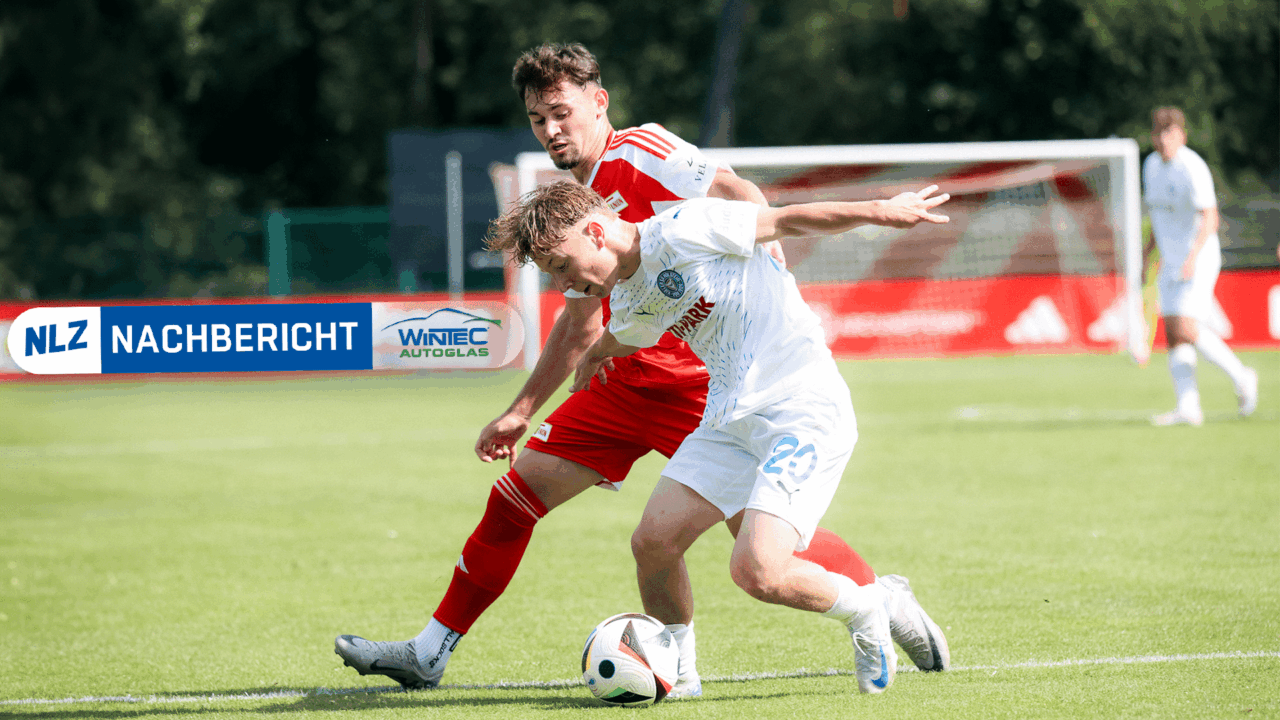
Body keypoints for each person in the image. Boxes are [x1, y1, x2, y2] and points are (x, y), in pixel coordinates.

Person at [335, 43, 949, 696]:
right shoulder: (567, 215)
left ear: (598, 103)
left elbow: (741, 195)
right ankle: (433, 653)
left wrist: (774, 273)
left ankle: (881, 599)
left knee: (766, 550)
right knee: (530, 499)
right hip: (630, 383)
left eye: (561, 113)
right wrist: (525, 408)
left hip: (705, 384)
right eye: (538, 119)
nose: (550, 130)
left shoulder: (646, 158)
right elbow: (589, 327)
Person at [486, 179, 951, 694]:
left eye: (563, 267)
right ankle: (679, 675)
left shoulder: (687, 229)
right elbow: (627, 335)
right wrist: (595, 355)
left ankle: (868, 607)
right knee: (654, 543)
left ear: (596, 232)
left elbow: (788, 219)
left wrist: (881, 211)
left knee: (759, 572)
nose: (566, 284)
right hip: (728, 421)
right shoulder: (633, 289)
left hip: (801, 407)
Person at [1142, 106, 1258, 426]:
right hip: (1170, 259)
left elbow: (1210, 217)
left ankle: (1242, 376)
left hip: (1199, 258)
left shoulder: (1192, 167)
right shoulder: (1151, 166)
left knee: (1188, 328)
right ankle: (1188, 407)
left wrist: (1192, 257)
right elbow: (1157, 214)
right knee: (1175, 334)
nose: (1164, 139)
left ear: (1182, 135)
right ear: (1153, 137)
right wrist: (1147, 253)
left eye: (1171, 132)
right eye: (1159, 133)